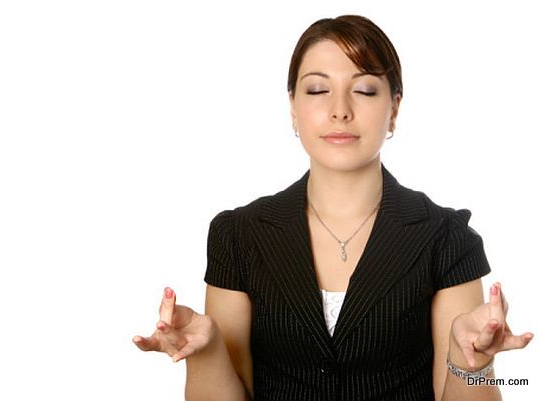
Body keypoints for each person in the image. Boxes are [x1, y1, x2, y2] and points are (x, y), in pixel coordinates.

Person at [132, 14, 533, 401]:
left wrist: (472, 362)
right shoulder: (238, 235)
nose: (340, 109)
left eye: (364, 90)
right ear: (293, 106)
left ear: (394, 108)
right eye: (318, 90)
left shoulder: (446, 238)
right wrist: (206, 352)